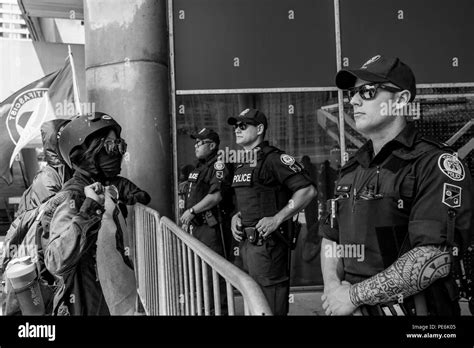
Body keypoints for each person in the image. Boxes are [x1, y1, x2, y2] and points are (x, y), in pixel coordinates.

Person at [320, 55, 473, 316]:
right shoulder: (352, 168)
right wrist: (334, 289)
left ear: (400, 100)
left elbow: (432, 258)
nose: (353, 101)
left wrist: (352, 297)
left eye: (367, 91)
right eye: (352, 94)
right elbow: (331, 237)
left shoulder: (434, 163)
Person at [44, 112, 149, 315]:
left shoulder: (102, 188)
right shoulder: (73, 196)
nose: (117, 152)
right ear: (87, 153)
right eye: (110, 145)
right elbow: (55, 260)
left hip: (106, 302)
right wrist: (90, 208)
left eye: (120, 145)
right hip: (84, 306)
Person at [228, 108, 317, 315]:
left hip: (269, 245)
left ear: (259, 129)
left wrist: (278, 218)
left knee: (269, 304)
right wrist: (237, 216)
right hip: (248, 245)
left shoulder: (274, 159)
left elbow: (307, 190)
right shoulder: (243, 162)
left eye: (243, 126)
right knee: (254, 300)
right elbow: (251, 199)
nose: (237, 130)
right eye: (235, 127)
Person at [180, 128, 234, 258]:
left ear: (212, 145)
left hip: (211, 228)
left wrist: (191, 211)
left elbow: (216, 196)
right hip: (196, 226)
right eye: (196, 143)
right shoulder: (199, 167)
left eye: (200, 142)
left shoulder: (219, 165)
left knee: (212, 272)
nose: (196, 146)